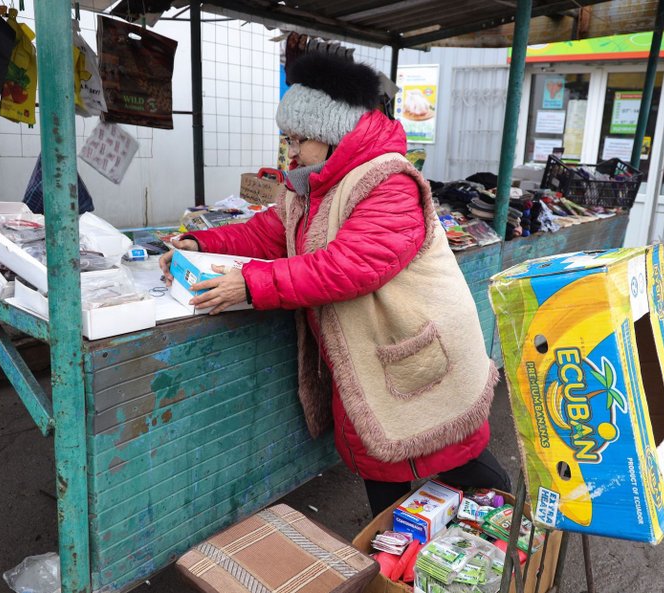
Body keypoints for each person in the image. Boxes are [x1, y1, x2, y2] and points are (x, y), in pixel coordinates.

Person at [160, 53, 510, 516]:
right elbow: (268, 232)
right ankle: (390, 563)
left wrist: (251, 283)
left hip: (417, 353)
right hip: (371, 360)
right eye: (286, 139)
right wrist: (198, 242)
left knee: (462, 465)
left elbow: (352, 265)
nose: (289, 152)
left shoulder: (388, 180)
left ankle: (513, 530)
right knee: (383, 474)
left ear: (328, 136)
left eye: (296, 140)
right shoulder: (312, 183)